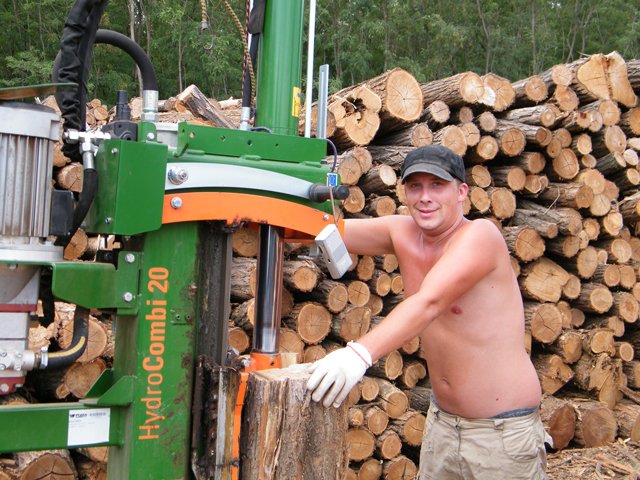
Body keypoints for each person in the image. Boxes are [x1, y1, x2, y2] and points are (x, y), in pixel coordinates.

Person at [306, 145, 547, 479]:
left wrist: (358, 355)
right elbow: (315, 230)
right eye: (415, 186)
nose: (425, 197)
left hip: (501, 432)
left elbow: (429, 302)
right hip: (443, 425)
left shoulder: (480, 236)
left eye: (437, 185)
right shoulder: (402, 232)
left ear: (461, 192)